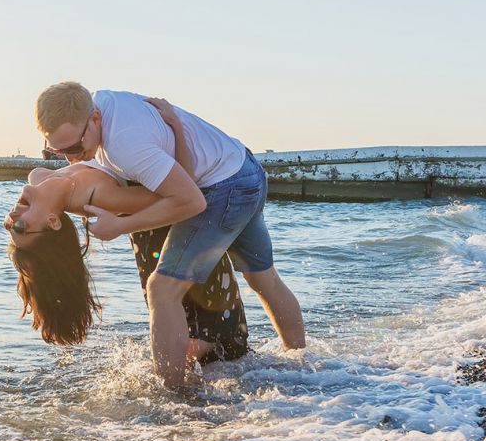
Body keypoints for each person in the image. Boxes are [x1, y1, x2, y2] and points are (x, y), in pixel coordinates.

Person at [36, 81, 305, 390]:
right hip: (244, 167)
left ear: (95, 118)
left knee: (162, 290)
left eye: (73, 147)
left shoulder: (124, 144)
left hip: (224, 189)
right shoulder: (100, 106)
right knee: (263, 279)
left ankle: (171, 400)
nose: (70, 157)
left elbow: (191, 201)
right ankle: (301, 367)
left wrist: (120, 226)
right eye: (55, 151)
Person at [6, 100, 248, 369]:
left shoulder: (38, 177)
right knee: (205, 340)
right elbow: (185, 191)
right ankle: (178, 394)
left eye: (9, 227)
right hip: (176, 248)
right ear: (52, 222)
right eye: (20, 227)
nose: (12, 219)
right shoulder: (101, 197)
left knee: (190, 329)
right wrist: (179, 130)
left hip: (170, 255)